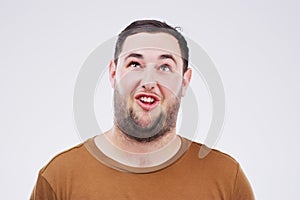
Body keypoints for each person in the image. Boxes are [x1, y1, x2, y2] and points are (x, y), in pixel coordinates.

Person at [30, 19, 255, 199]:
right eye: (135, 64)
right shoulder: (59, 178)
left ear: (185, 82)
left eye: (165, 66)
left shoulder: (226, 178)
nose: (149, 81)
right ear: (113, 73)